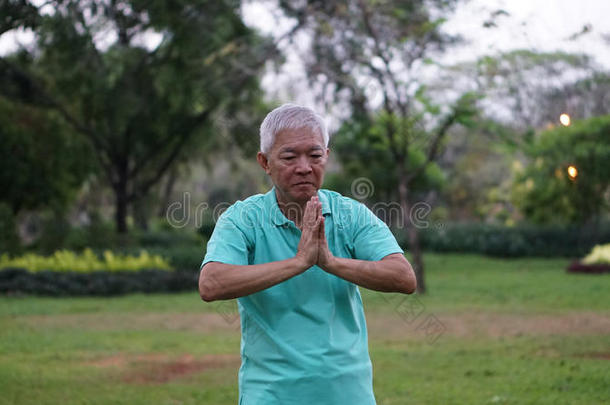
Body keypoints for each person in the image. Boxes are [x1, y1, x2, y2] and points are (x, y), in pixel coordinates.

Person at [199, 103, 416, 405]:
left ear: (327, 156)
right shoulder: (242, 219)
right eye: (289, 156)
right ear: (265, 162)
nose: (304, 167)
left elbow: (403, 277)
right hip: (271, 395)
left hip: (347, 393)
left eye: (315, 155)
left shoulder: (350, 215)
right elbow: (211, 284)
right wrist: (299, 262)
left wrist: (330, 262)